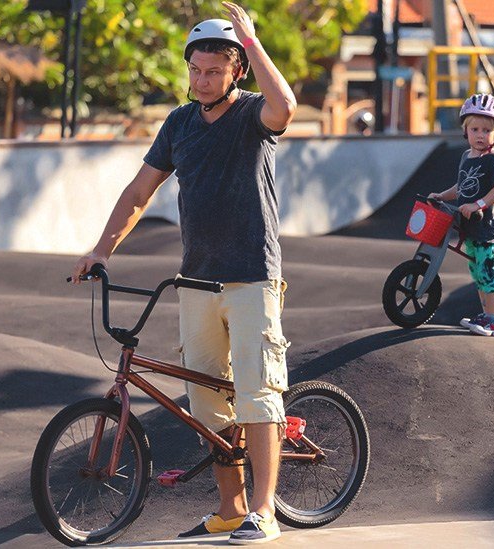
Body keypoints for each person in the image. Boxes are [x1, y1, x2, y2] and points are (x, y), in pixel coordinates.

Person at [71, 2, 296, 544]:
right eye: (195, 69)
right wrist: (102, 248)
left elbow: (284, 106)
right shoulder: (178, 122)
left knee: (257, 394)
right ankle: (229, 508)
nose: (202, 79)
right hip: (196, 279)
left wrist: (251, 39)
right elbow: (139, 191)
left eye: (215, 70)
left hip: (251, 276)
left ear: (236, 71)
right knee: (207, 401)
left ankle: (263, 513)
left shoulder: (250, 116)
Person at [428, 93, 494, 337]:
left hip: (486, 230)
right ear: (466, 131)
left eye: (487, 130)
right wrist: (442, 196)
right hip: (471, 229)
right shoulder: (466, 157)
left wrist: (479, 205)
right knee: (477, 273)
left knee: (487, 274)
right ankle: (485, 315)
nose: (480, 135)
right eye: (475, 129)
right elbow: (461, 187)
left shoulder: (493, 159)